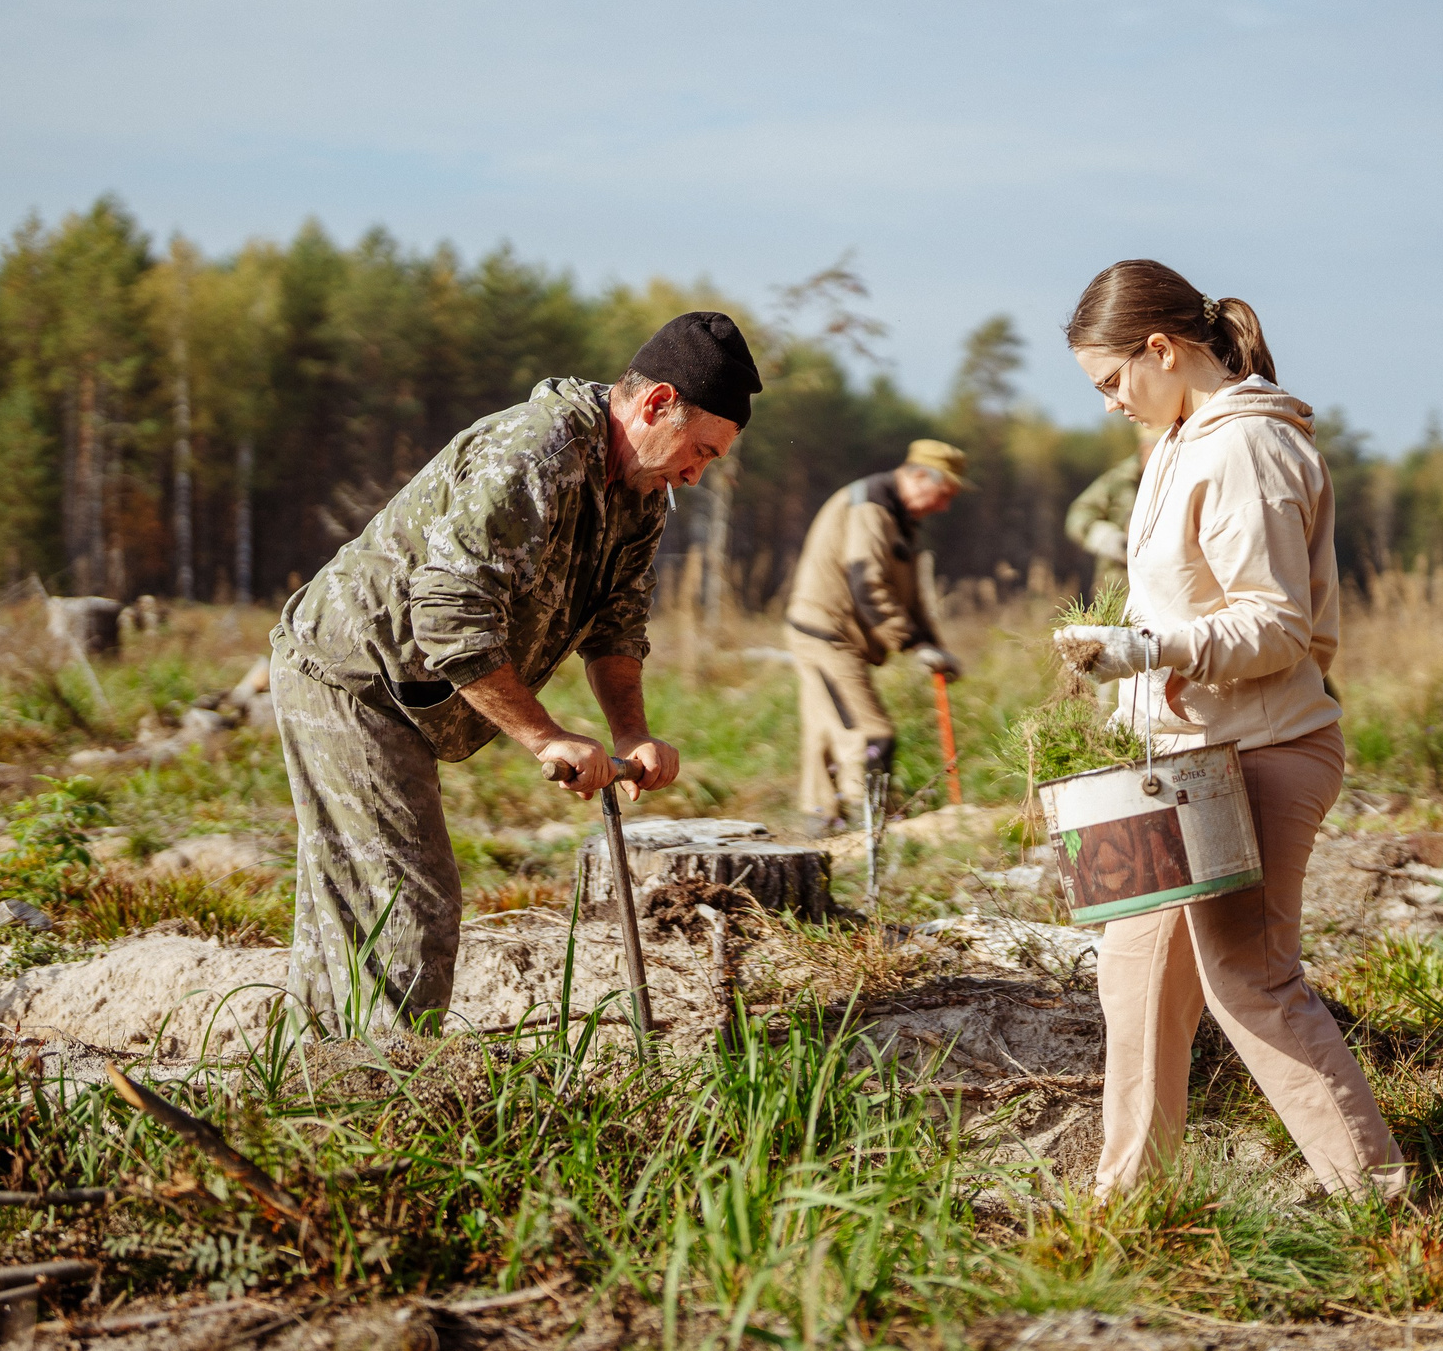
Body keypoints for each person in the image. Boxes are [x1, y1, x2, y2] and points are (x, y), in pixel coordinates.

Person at [269, 311, 761, 1036]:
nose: (696, 471)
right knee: (407, 906)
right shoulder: (532, 453)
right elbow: (448, 616)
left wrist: (633, 732)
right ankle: (377, 1097)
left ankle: (312, 1083)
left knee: (357, 905)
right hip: (350, 676)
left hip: (405, 689)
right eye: (700, 450)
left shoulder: (642, 492)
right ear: (655, 404)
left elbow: (617, 622)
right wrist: (545, 737)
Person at [1051, 258, 1405, 1202]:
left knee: (1249, 981)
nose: (1113, 402)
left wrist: (1142, 649)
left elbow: (1279, 623)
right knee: (1134, 979)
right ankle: (1128, 1202)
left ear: (1162, 348)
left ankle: (1378, 1200)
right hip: (1178, 764)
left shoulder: (1245, 448)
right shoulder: (1178, 440)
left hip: (1259, 754)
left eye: (1115, 380)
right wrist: (1121, 681)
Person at [783, 442, 968, 830]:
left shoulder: (898, 516)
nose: (945, 506)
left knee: (827, 739)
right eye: (944, 494)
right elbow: (868, 585)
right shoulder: (870, 508)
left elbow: (910, 594)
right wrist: (912, 644)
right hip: (826, 637)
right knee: (870, 736)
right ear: (918, 476)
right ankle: (871, 839)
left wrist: (932, 644)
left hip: (831, 635)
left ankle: (823, 832)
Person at [1063, 425, 1159, 590]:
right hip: (1118, 588)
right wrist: (1107, 538)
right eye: (1157, 448)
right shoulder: (1119, 480)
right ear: (1144, 447)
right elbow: (1078, 515)